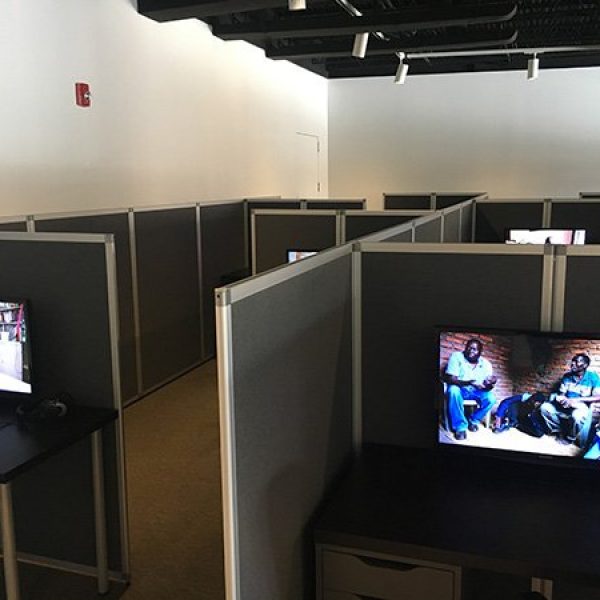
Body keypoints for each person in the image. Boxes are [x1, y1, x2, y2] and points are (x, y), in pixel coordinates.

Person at [540, 353, 600, 447]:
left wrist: (575, 400)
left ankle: (569, 438)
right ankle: (558, 430)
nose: (572, 364)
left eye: (577, 362)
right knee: (544, 407)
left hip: (581, 406)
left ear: (585, 365)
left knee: (577, 415)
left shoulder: (593, 377)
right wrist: (562, 399)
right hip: (566, 404)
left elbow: (598, 397)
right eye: (573, 361)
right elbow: (562, 393)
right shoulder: (567, 377)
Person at [444, 338, 497, 441]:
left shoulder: (486, 364)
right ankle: (460, 427)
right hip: (460, 389)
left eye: (475, 349)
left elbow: (487, 387)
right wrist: (470, 382)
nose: (471, 351)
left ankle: (473, 420)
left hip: (476, 391)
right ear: (465, 348)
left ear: (480, 352)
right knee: (453, 391)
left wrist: (491, 383)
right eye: (469, 348)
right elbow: (451, 379)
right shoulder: (456, 357)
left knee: (491, 398)